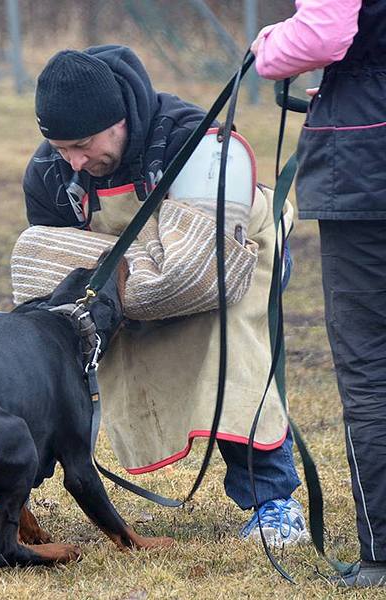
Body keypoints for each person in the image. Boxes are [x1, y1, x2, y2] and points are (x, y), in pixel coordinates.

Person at [0, 45, 308, 547]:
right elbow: (58, 269)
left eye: (84, 144)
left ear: (118, 121)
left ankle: (275, 505)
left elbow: (199, 267)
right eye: (60, 146)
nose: (73, 160)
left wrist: (134, 275)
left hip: (237, 257)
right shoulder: (50, 173)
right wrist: (134, 279)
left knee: (230, 346)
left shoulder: (190, 140)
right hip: (134, 273)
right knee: (44, 353)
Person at [250, 0, 386, 588]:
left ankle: (380, 555)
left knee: (371, 367)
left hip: (366, 158)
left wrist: (268, 46)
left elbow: (324, 32)